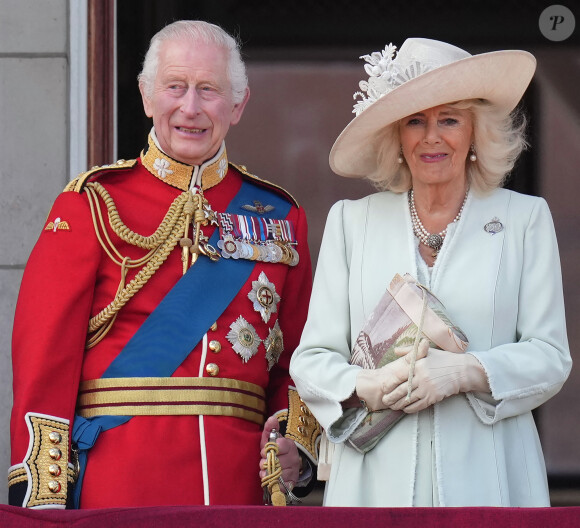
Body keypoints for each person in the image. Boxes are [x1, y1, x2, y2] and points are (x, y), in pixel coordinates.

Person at [9, 20, 318, 509]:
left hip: (237, 491)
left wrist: (295, 448)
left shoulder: (280, 216)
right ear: (147, 96)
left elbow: (300, 359)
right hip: (115, 486)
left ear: (238, 105)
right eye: (175, 87)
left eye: (209, 90)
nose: (190, 108)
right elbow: (45, 361)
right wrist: (44, 500)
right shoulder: (92, 204)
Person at [290, 37, 571, 507]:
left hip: (491, 481)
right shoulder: (351, 222)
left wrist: (466, 371)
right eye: (415, 121)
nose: (431, 136)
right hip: (372, 486)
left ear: (476, 132)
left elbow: (550, 357)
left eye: (449, 119)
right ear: (396, 136)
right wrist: (368, 387)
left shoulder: (524, 219)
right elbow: (311, 360)